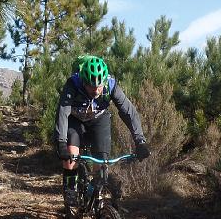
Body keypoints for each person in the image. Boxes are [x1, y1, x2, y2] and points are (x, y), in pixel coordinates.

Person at [55, 55, 150, 207]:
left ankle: (96, 193)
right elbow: (63, 113)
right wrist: (61, 142)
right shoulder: (73, 83)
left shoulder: (110, 85)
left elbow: (129, 112)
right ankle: (70, 188)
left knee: (102, 161)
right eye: (91, 86)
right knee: (71, 153)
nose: (96, 90)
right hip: (75, 119)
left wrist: (140, 141)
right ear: (83, 81)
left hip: (99, 119)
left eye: (99, 86)